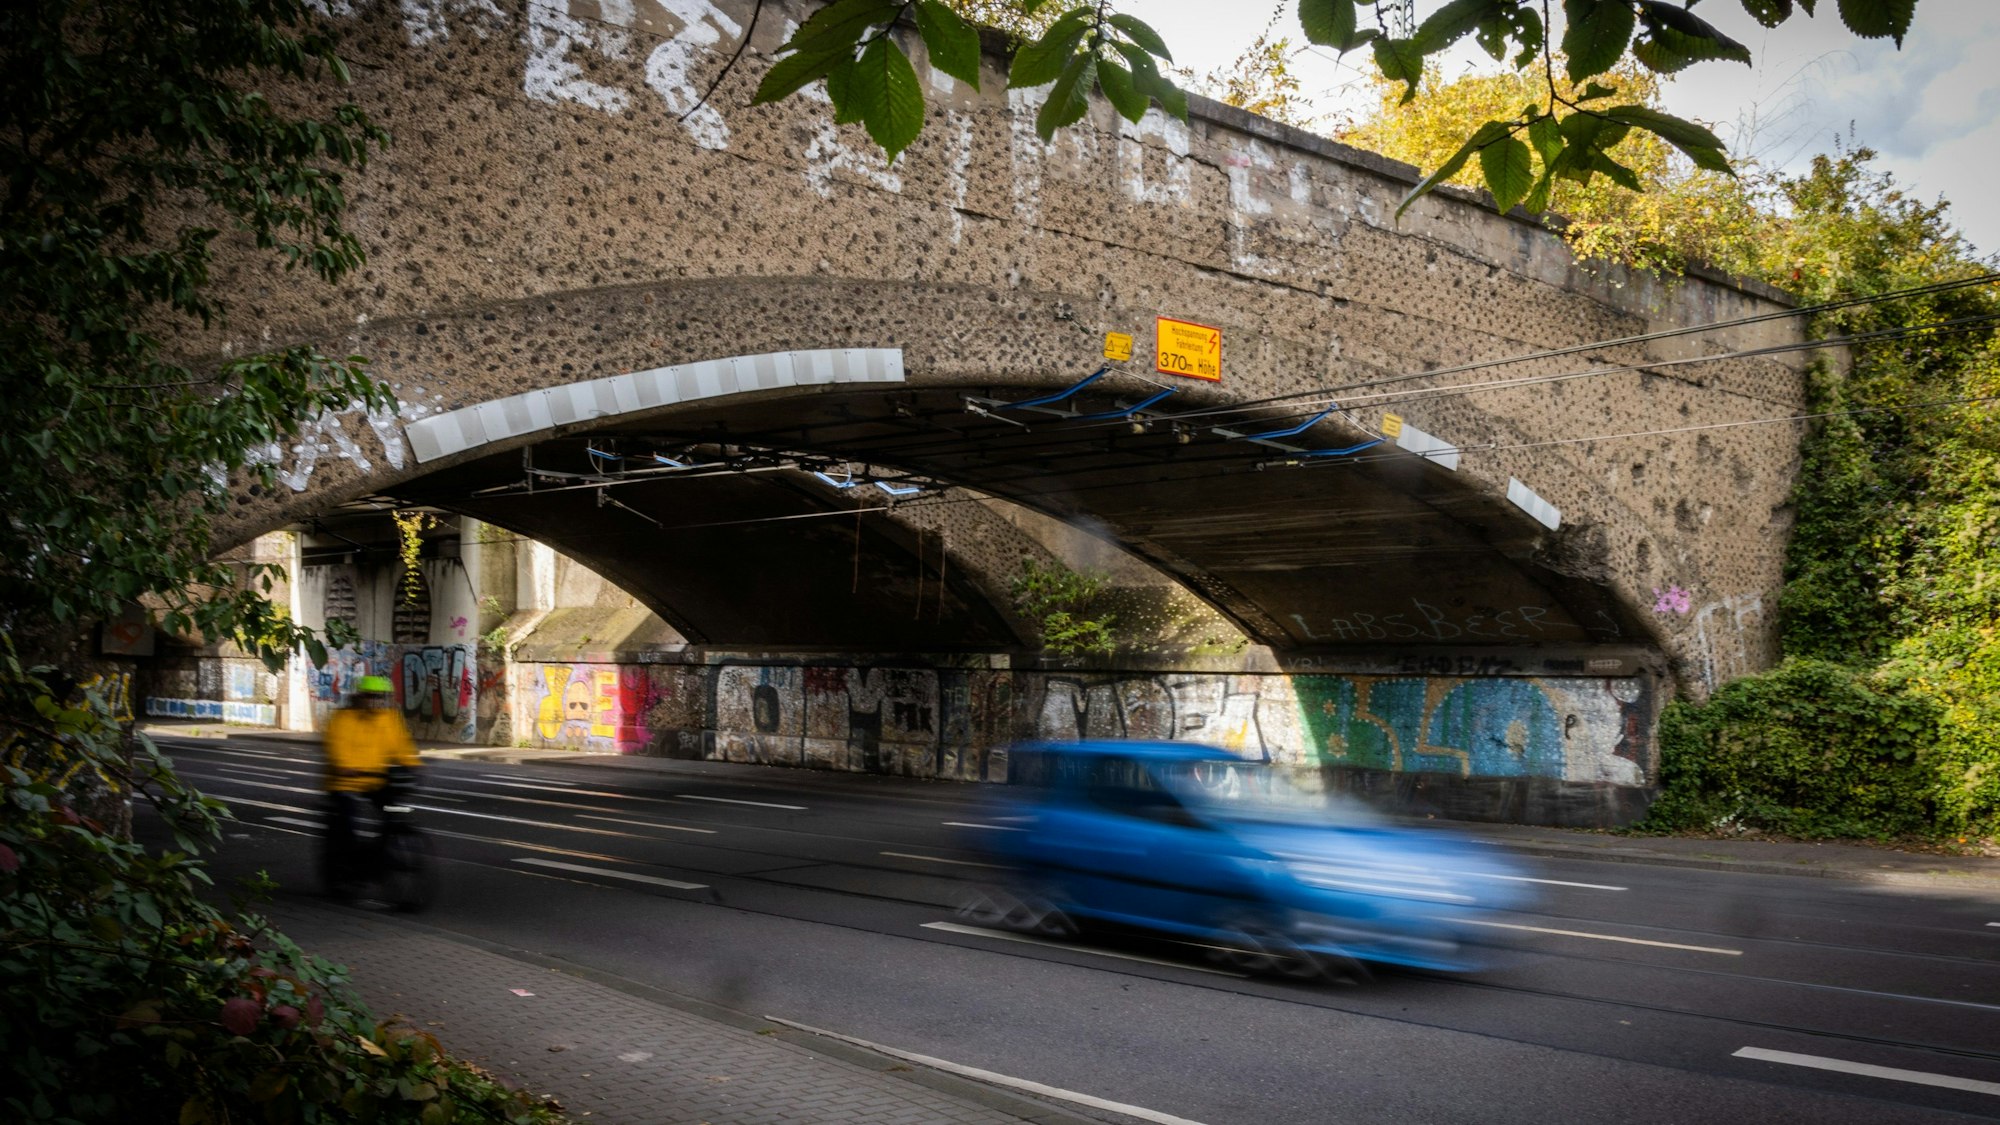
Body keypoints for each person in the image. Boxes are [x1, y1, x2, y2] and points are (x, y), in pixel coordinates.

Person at [321, 675, 421, 893]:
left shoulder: (390, 719)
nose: (376, 701)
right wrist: (345, 767)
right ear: (361, 697)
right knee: (348, 819)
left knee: (393, 812)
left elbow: (402, 745)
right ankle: (347, 866)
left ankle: (383, 852)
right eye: (371, 696)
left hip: (376, 781)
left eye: (381, 697)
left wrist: (412, 765)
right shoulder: (343, 719)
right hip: (345, 781)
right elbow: (337, 746)